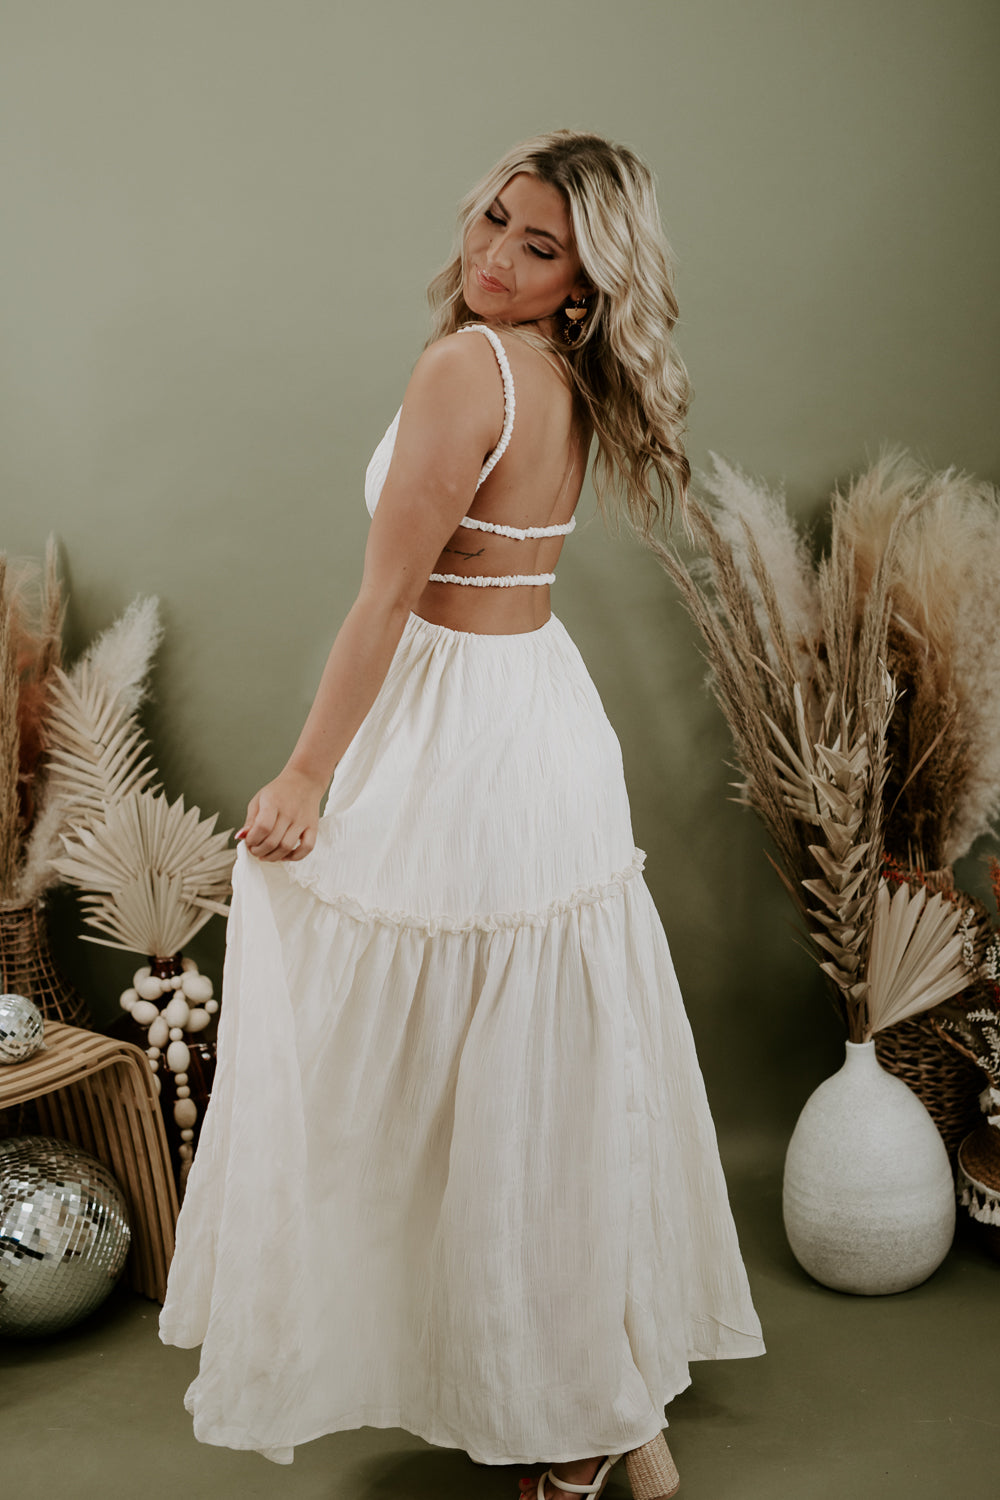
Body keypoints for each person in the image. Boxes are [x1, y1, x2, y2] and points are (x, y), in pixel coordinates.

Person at [159, 130, 764, 1500]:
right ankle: (606, 1385)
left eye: (538, 247)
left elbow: (390, 597)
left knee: (457, 1062)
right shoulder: (563, 375)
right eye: (495, 219)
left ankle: (579, 1421)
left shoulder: (466, 368)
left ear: (584, 283)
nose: (495, 255)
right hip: (540, 712)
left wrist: (307, 772)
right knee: (536, 1068)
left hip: (461, 731)